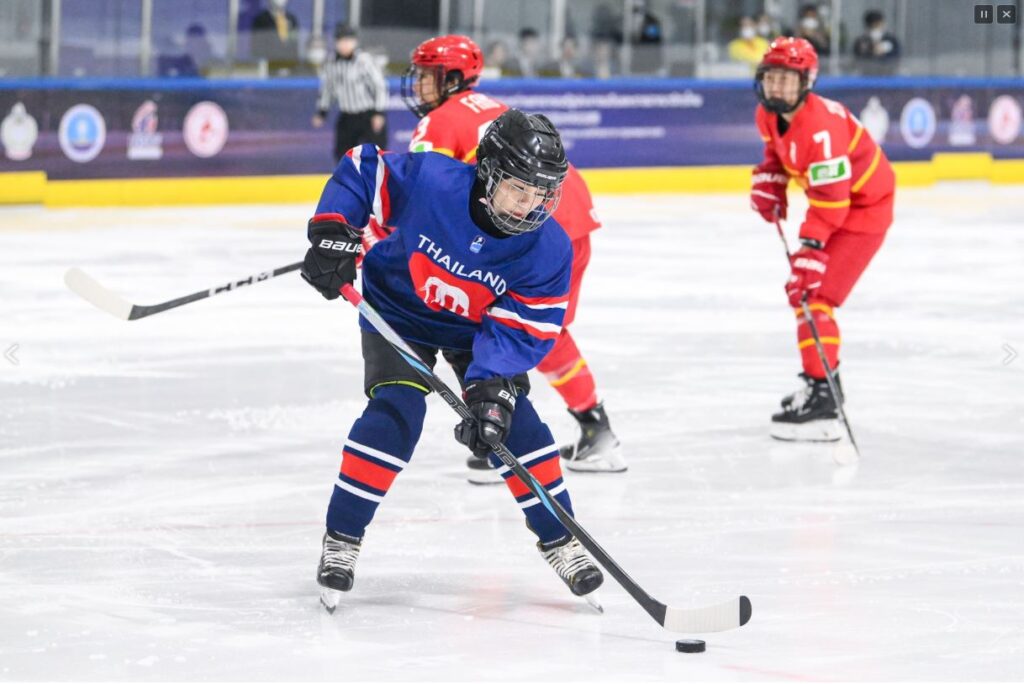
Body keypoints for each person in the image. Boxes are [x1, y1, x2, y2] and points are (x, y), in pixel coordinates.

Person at [303, 109, 604, 609]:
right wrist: (335, 229)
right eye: (518, 189)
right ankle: (342, 539)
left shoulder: (548, 248)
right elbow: (363, 168)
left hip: (475, 332)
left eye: (542, 194)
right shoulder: (433, 182)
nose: (529, 207)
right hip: (399, 310)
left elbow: (527, 326)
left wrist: (491, 390)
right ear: (486, 172)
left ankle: (562, 540)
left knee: (519, 427)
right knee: (396, 414)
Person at [400, 35, 625, 476]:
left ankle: (503, 428)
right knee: (542, 330)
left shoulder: (439, 124)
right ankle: (588, 425)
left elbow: (417, 194)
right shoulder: (489, 105)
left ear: (454, 79)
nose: (420, 86)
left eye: (429, 76)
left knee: (509, 328)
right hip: (564, 218)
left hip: (532, 227)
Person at [750, 37, 895, 441]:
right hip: (840, 207)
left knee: (815, 298)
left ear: (806, 82)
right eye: (771, 78)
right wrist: (772, 180)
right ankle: (823, 387)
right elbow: (777, 155)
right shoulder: (767, 114)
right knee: (807, 299)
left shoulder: (822, 130)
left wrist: (811, 249)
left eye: (786, 79)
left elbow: (833, 201)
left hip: (864, 211)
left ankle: (824, 399)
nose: (776, 87)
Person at [312, 24, 388, 165]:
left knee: (377, 156)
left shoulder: (364, 60)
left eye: (348, 41)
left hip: (368, 115)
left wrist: (379, 113)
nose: (345, 45)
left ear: (355, 42)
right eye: (341, 41)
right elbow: (327, 88)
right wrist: (322, 112)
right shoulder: (331, 63)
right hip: (347, 116)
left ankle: (377, 185)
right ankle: (349, 185)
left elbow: (379, 86)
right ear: (336, 43)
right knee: (342, 156)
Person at [251, 0, 300, 67]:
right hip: (269, 66)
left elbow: (294, 43)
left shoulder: (292, 19)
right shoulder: (261, 20)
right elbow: (256, 48)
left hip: (289, 66)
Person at [852, 10, 900, 75]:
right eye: (874, 25)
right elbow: (858, 58)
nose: (877, 27)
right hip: (867, 75)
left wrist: (883, 53)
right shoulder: (861, 41)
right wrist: (872, 51)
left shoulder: (891, 39)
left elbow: (896, 55)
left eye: (878, 24)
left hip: (888, 74)